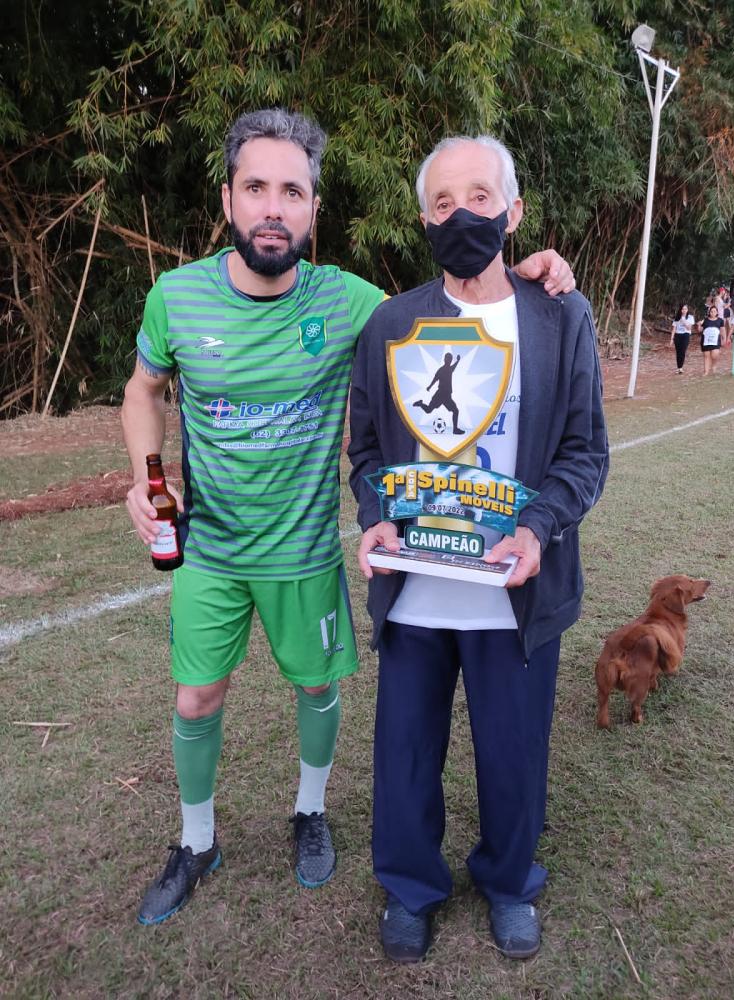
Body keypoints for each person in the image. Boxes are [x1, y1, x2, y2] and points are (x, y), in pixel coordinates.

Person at [122, 107, 577, 926]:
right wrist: (146, 477)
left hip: (314, 555)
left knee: (321, 688)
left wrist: (530, 269)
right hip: (220, 552)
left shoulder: (354, 302)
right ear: (227, 198)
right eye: (255, 188)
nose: (272, 208)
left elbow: (467, 300)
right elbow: (144, 390)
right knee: (199, 700)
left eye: (291, 192)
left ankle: (316, 814)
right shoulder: (180, 297)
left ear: (313, 209)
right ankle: (198, 842)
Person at [349, 135, 608, 963]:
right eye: (442, 202)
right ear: (425, 221)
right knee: (405, 754)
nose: (462, 214)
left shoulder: (560, 316)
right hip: (417, 587)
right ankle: (410, 886)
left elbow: (584, 452)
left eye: (480, 197)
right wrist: (375, 516)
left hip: (515, 588)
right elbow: (367, 450)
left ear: (514, 211)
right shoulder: (393, 323)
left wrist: (536, 528)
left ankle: (508, 881)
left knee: (513, 757)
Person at [697, 304, 724, 375]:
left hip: (716, 341)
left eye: (714, 311)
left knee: (715, 355)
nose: (713, 313)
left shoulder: (720, 320)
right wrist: (699, 325)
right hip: (706, 341)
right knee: (706, 356)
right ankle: (706, 372)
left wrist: (723, 338)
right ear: (709, 312)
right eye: (711, 311)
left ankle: (714, 365)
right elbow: (700, 330)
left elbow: (722, 330)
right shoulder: (705, 320)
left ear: (717, 312)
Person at [670, 303, 694, 373]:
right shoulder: (677, 317)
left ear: (687, 310)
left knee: (683, 351)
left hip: (686, 335)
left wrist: (684, 321)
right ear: (680, 310)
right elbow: (674, 329)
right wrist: (672, 339)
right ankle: (679, 368)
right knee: (678, 352)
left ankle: (681, 367)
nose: (684, 310)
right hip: (678, 335)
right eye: (683, 309)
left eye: (685, 309)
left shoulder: (690, 317)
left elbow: (689, 328)